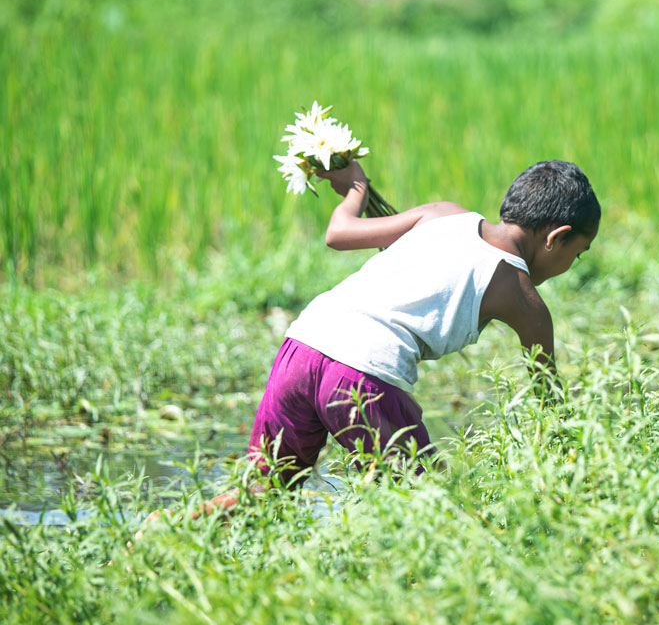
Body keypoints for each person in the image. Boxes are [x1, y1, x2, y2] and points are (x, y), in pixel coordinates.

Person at [140, 158, 598, 530]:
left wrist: (355, 186)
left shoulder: (443, 213)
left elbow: (338, 234)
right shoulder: (523, 299)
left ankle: (169, 527)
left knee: (266, 488)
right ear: (556, 238)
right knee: (431, 508)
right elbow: (549, 406)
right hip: (360, 373)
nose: (569, 266)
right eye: (576, 256)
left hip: (303, 344)